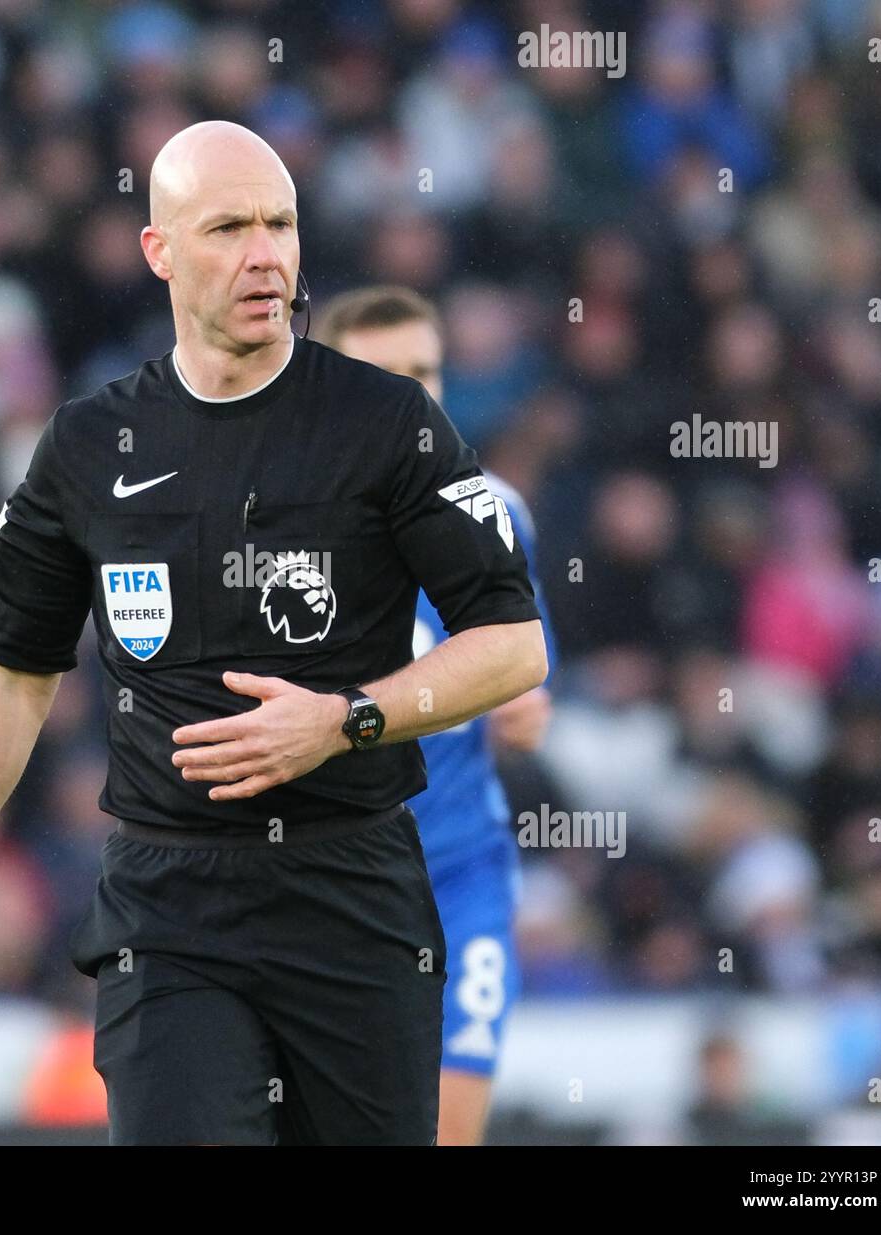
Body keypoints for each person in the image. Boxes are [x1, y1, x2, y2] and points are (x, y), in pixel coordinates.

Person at [0, 120, 548, 1145]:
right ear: (158, 252)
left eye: (280, 224)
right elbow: (15, 671)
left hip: (354, 891)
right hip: (169, 901)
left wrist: (347, 719)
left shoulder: (388, 423)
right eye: (228, 227)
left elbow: (512, 644)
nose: (264, 255)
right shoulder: (90, 444)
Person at [317, 285, 556, 1145]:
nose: (414, 396)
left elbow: (529, 681)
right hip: (326, 881)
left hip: (459, 876)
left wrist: (525, 706)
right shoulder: (285, 528)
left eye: (427, 371)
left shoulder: (496, 512)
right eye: (388, 376)